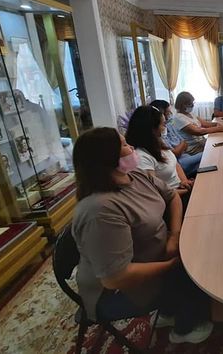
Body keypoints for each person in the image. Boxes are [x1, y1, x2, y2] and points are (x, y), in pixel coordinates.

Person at [71, 127, 213, 344]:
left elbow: (172, 196)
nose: (131, 148)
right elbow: (116, 277)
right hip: (123, 290)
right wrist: (172, 264)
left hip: (155, 255)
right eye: (124, 145)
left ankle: (171, 310)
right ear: (108, 158)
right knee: (199, 262)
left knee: (201, 240)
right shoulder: (100, 211)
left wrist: (174, 236)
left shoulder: (134, 176)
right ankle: (185, 328)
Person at [125, 106, 194, 196]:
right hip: (173, 197)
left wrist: (185, 182)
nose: (165, 128)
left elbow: (176, 165)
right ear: (152, 129)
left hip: (180, 189)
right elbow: (155, 193)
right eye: (163, 124)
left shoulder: (158, 145)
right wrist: (187, 190)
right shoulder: (141, 157)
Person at [149, 100, 202, 176]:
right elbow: (175, 153)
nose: (170, 114)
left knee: (205, 163)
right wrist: (181, 147)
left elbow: (184, 143)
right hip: (179, 162)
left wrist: (180, 148)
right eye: (168, 112)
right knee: (206, 155)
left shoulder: (169, 125)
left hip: (186, 156)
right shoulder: (159, 134)